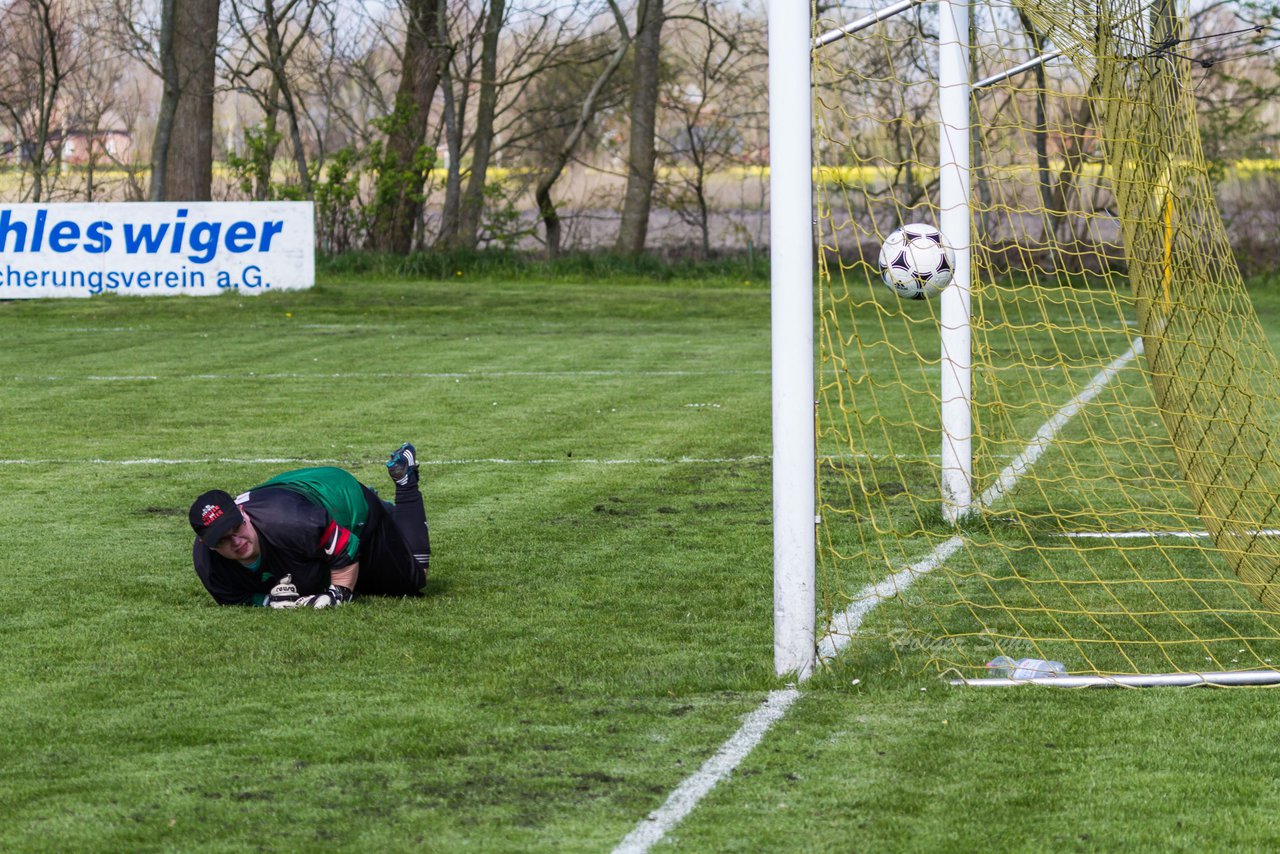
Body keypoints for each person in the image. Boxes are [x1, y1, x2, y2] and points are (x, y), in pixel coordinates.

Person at [188, 443, 431, 608]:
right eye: (222, 540)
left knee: (413, 581)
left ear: (243, 513)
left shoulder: (289, 521)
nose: (236, 542)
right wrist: (268, 602)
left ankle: (404, 481)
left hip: (340, 496)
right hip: (302, 500)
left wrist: (338, 595)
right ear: (205, 543)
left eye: (236, 528)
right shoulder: (207, 562)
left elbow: (344, 551)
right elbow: (235, 597)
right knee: (311, 579)